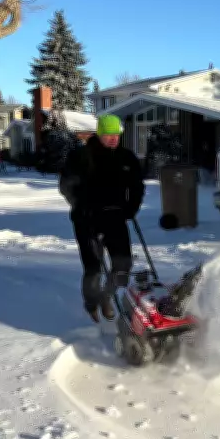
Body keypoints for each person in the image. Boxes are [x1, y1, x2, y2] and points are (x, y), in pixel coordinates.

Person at [59, 114, 145, 323]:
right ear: (99, 134)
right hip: (86, 218)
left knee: (123, 264)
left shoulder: (126, 158)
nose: (113, 138)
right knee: (93, 268)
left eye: (116, 134)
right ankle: (91, 303)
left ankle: (107, 296)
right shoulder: (81, 156)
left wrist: (131, 208)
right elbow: (66, 186)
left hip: (115, 217)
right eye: (108, 134)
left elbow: (137, 187)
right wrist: (80, 205)